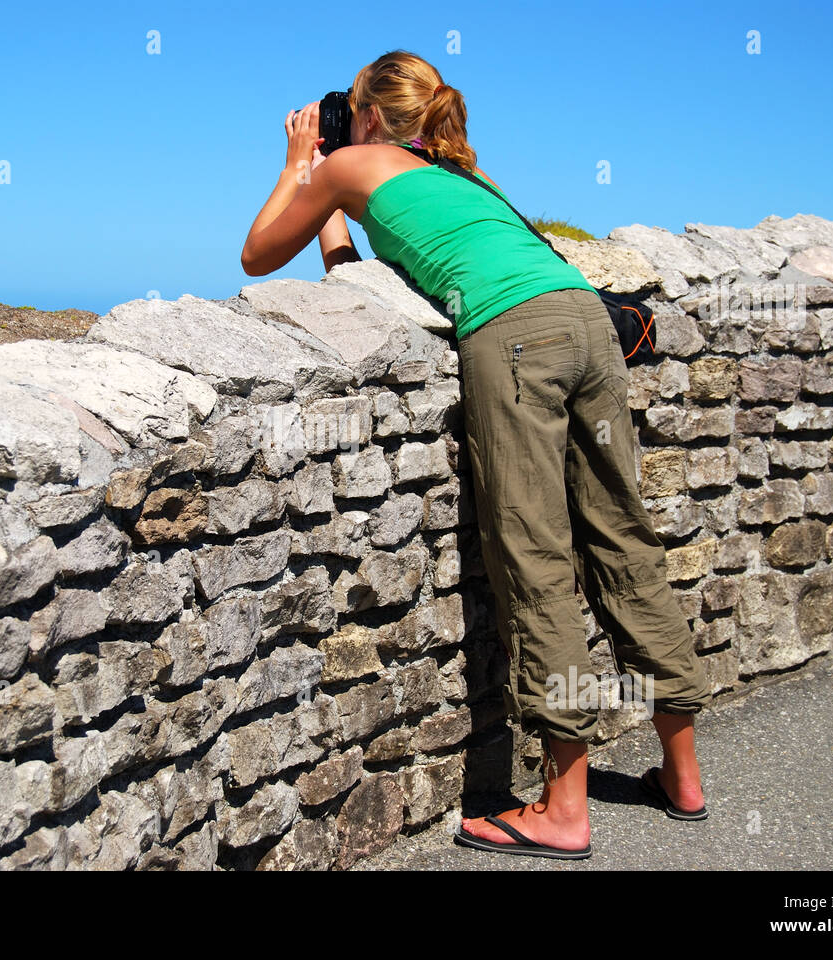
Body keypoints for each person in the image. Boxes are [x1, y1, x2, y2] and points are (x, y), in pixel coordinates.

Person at [241, 50, 712, 860]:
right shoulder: (467, 176)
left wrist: (298, 165)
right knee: (622, 538)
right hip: (586, 326)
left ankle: (564, 809)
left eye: (350, 110)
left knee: (534, 555)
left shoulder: (349, 161)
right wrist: (331, 193)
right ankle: (684, 775)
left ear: (371, 116)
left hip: (517, 339)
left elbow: (255, 255)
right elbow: (351, 271)